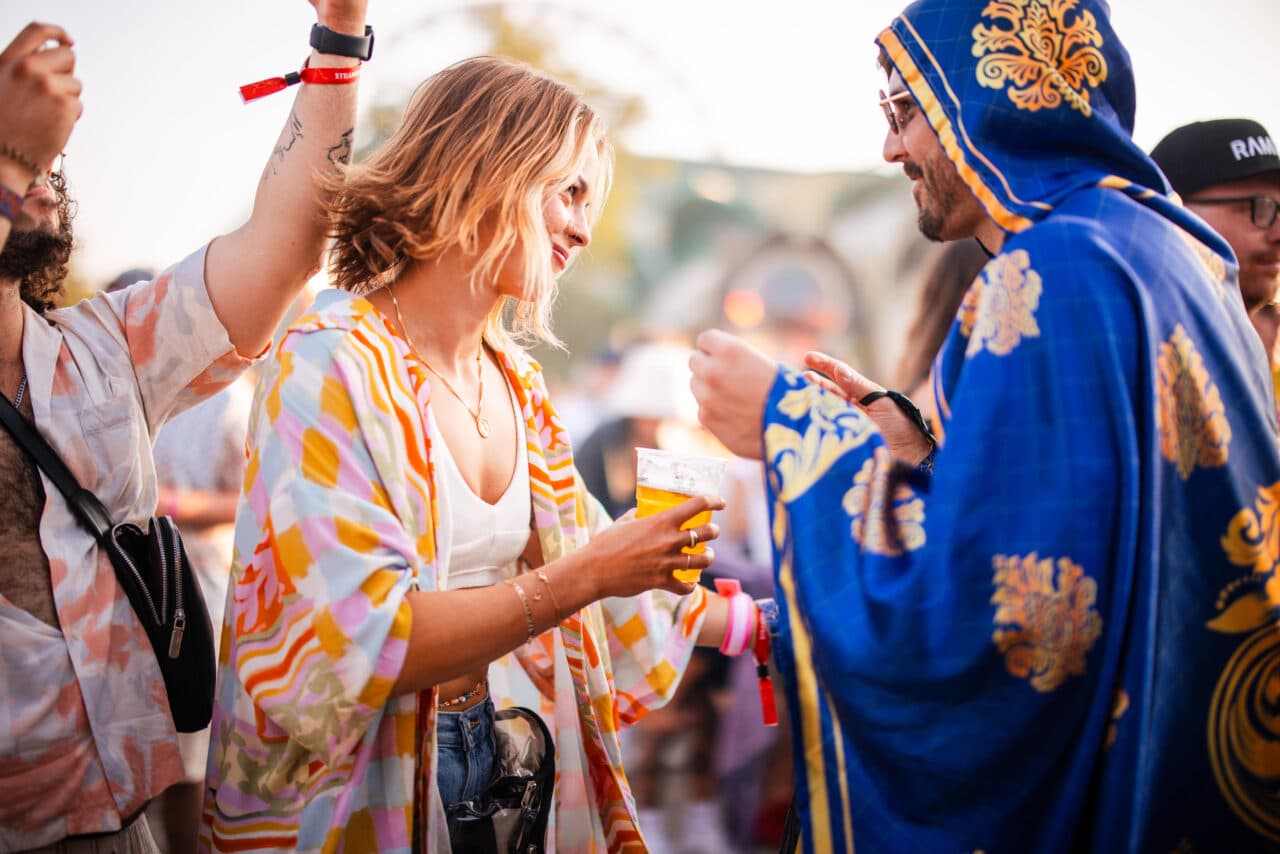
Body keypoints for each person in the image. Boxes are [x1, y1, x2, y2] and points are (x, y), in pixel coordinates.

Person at [689, 0, 1280, 850]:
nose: (890, 147)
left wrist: (786, 426)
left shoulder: (1051, 271)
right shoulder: (1168, 246)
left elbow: (996, 630)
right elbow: (1093, 540)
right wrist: (915, 452)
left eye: (906, 111)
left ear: (988, 98)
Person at [200, 56, 755, 853]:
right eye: (569, 191)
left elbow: (595, 557)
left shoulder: (517, 381)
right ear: (487, 168)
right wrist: (589, 574)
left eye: (590, 203)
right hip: (357, 785)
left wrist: (757, 626)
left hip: (496, 755)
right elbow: (367, 635)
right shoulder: (331, 358)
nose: (583, 228)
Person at [0, 3, 368, 850]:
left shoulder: (105, 350)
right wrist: (9, 157)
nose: (47, 172)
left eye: (50, 160)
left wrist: (341, 37)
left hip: (121, 825)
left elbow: (285, 243)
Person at [1151, 119, 1280, 418]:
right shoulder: (1146, 357)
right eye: (1259, 207)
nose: (1278, 233)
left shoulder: (1247, 363)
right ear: (1174, 210)